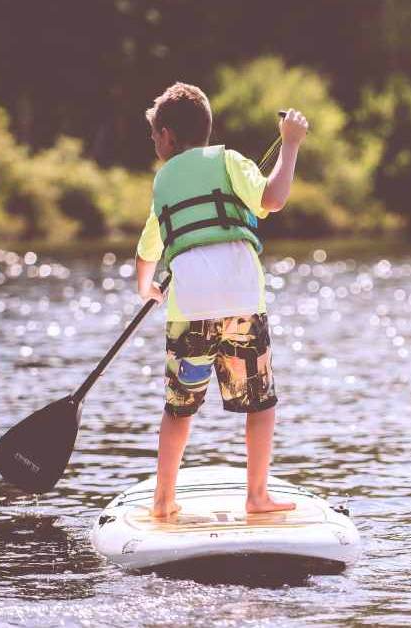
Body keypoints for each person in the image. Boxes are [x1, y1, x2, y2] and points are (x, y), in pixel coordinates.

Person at [134, 81, 308, 518]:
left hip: (189, 309)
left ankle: (163, 500)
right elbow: (274, 197)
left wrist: (146, 287)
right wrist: (289, 146)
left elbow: (147, 251)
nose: (154, 141)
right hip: (242, 304)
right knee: (260, 403)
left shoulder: (162, 182)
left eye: (155, 134)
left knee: (179, 409)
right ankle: (257, 497)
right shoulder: (230, 161)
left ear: (168, 136)